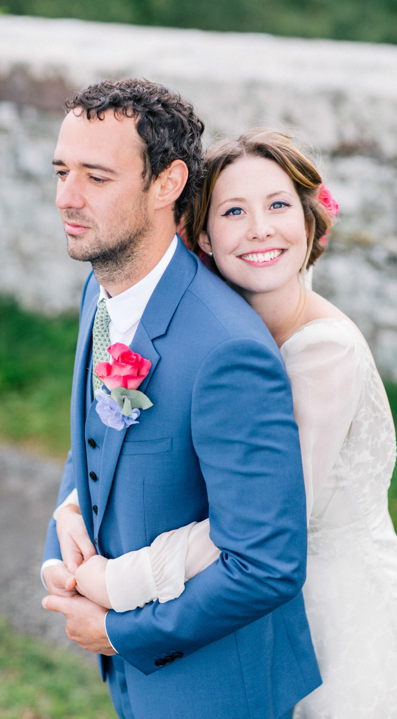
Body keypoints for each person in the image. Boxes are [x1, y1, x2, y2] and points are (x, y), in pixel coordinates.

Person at [54, 129, 397, 718]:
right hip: (245, 619)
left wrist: (118, 585)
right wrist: (75, 507)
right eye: (235, 211)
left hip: (338, 614)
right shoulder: (193, 325)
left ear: (310, 223)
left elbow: (262, 528)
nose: (260, 228)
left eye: (279, 205)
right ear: (203, 234)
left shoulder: (322, 351)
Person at [40, 79, 321, 719]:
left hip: (217, 689)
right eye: (61, 171)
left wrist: (118, 634)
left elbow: (267, 564)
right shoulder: (101, 290)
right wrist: (66, 523)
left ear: (166, 184)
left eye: (96, 176)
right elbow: (92, 436)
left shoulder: (227, 350)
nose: (66, 197)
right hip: (139, 686)